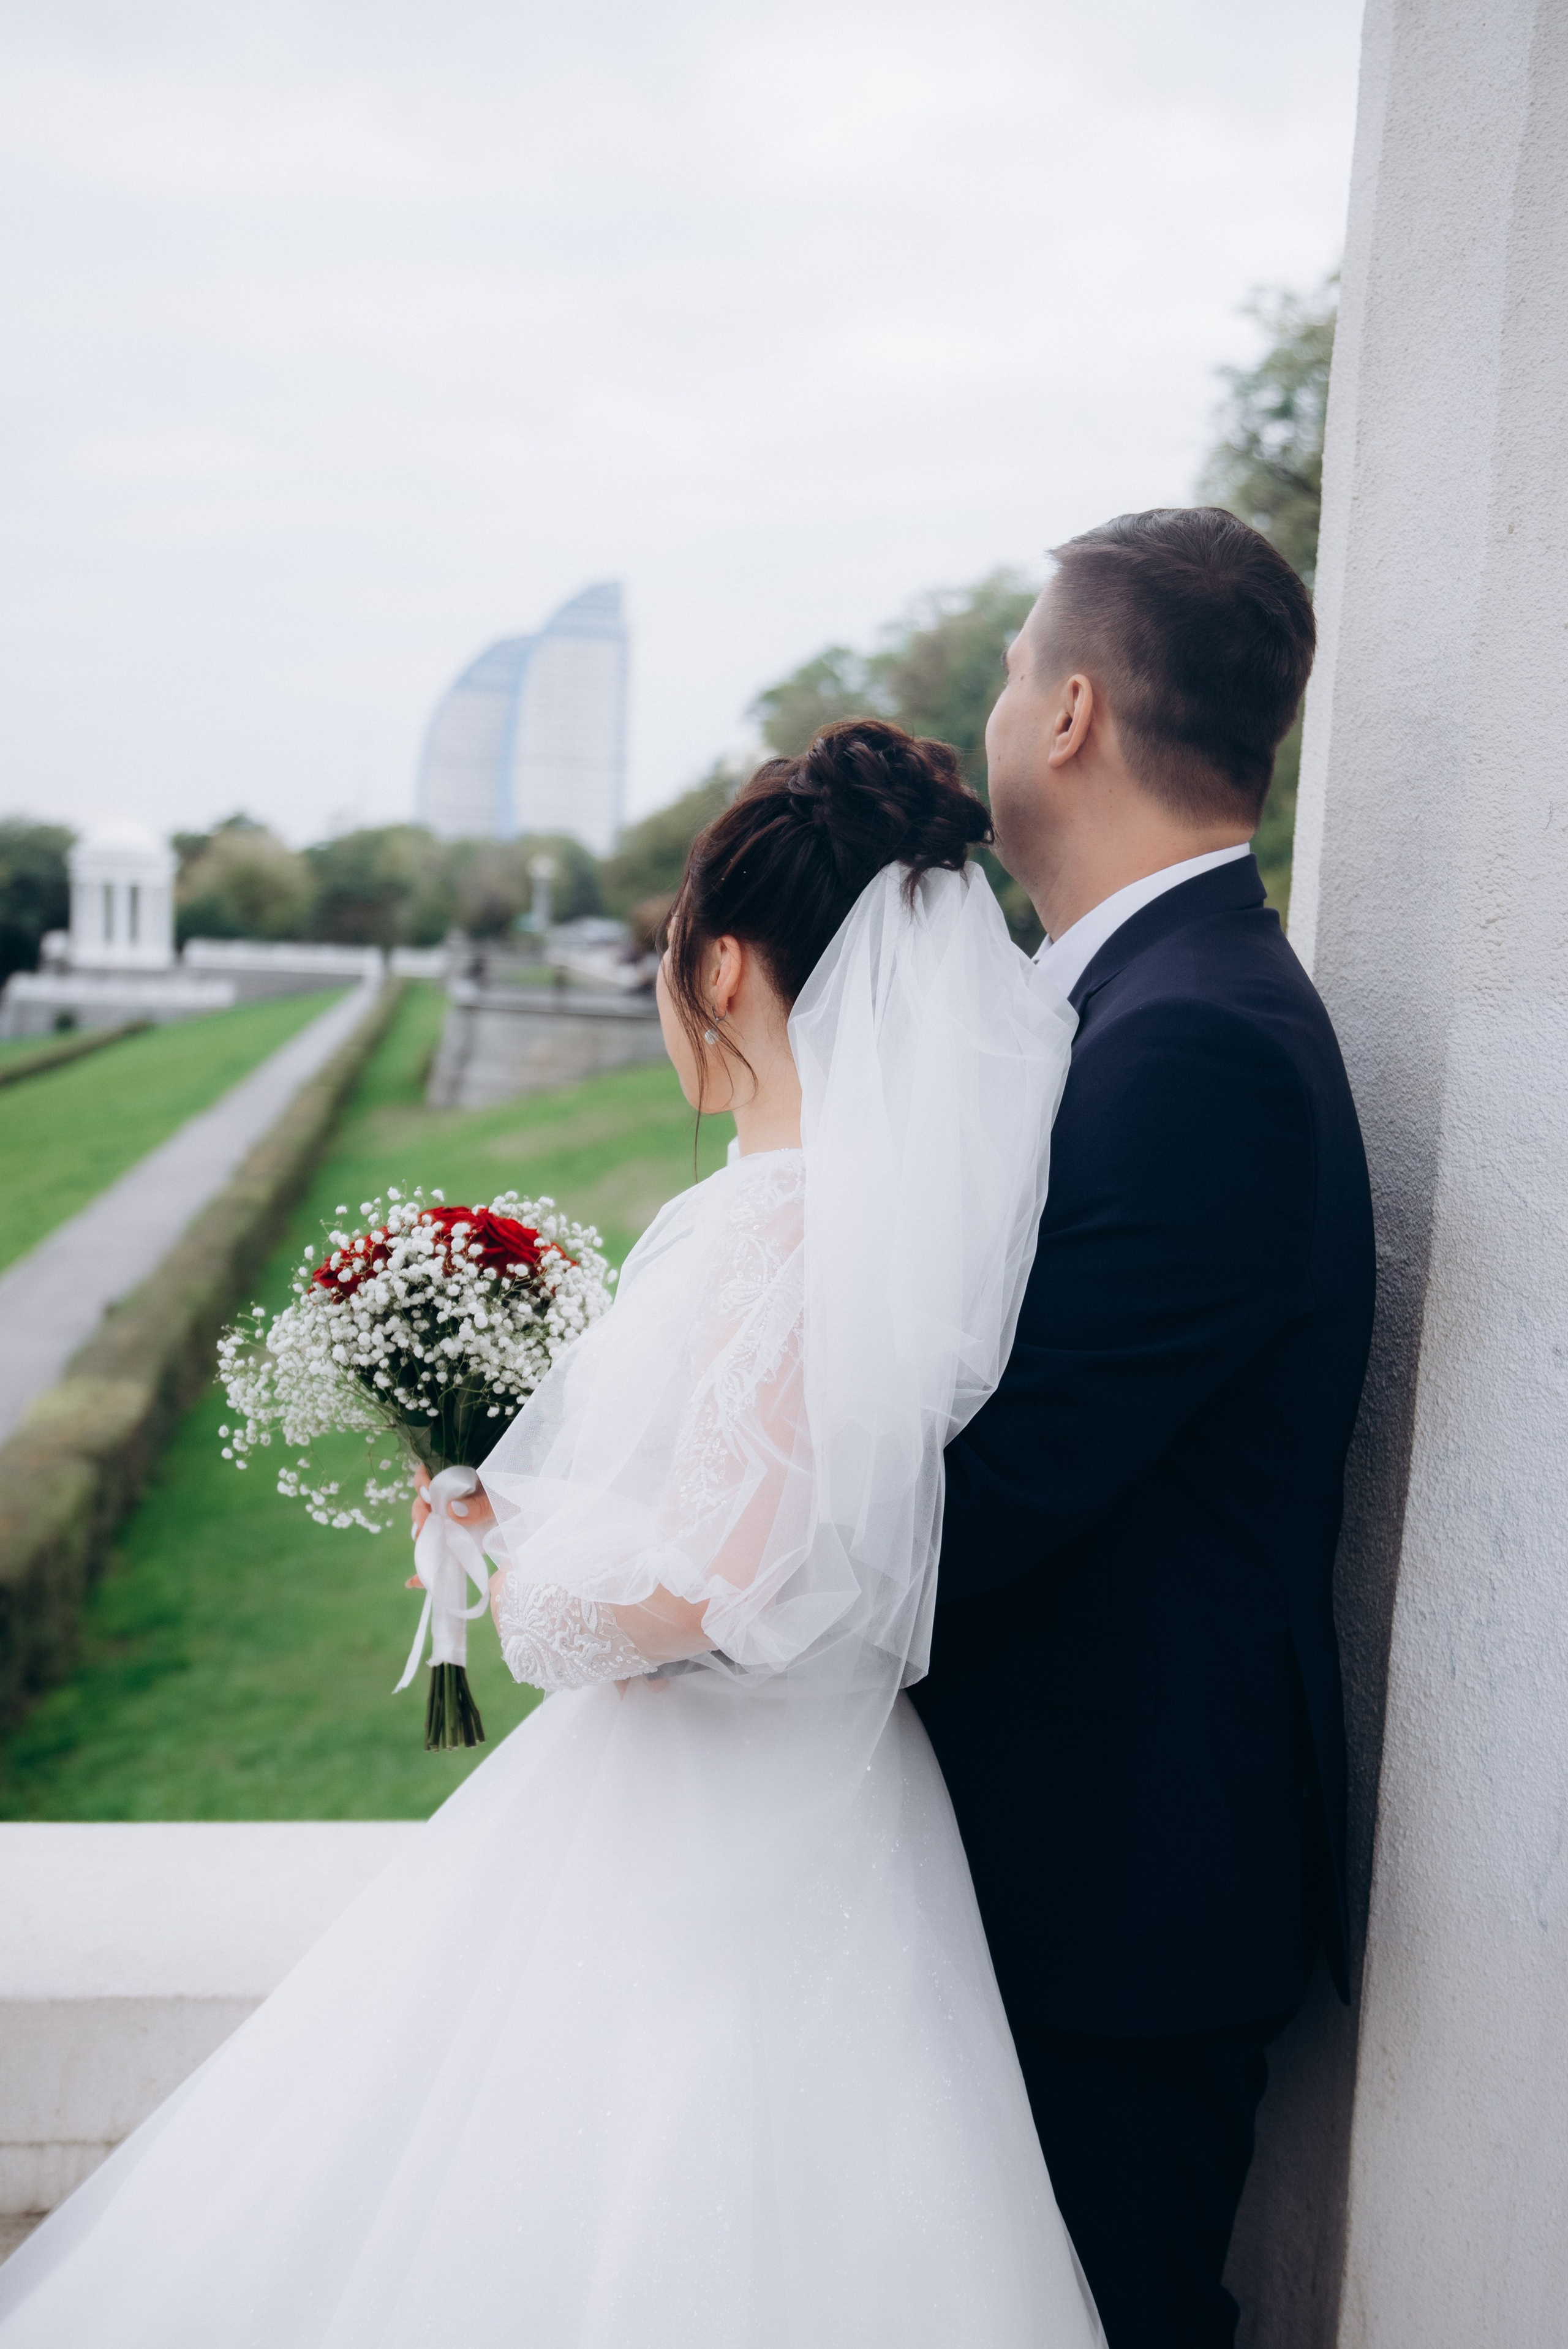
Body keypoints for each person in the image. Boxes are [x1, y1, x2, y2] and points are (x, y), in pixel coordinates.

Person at [0, 722, 1104, 2349]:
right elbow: (784, 1504)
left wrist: (532, 1601)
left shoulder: (783, 1224)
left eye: (672, 954)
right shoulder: (871, 1219)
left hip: (709, 1845)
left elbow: (719, 1578)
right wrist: (514, 1499)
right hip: (827, 1803)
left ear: (719, 967)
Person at [911, 507, 1377, 2349]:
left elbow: (1013, 1477)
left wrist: (696, 1568)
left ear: (1074, 710)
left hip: (1114, 1894)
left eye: (1013, 669)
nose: (1000, 705)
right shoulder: (1137, 1000)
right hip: (1063, 1862)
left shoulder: (1197, 1041)